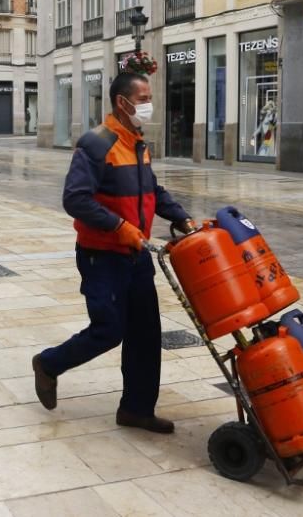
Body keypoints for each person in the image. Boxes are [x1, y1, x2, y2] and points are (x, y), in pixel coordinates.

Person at [32, 72, 194, 434]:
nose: (148, 105)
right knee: (109, 330)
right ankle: (48, 363)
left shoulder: (137, 142)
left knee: (146, 334)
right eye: (144, 98)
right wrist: (119, 227)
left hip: (136, 256)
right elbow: (75, 198)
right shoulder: (96, 142)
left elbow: (151, 189)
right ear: (123, 102)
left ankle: (136, 409)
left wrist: (181, 217)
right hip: (101, 255)